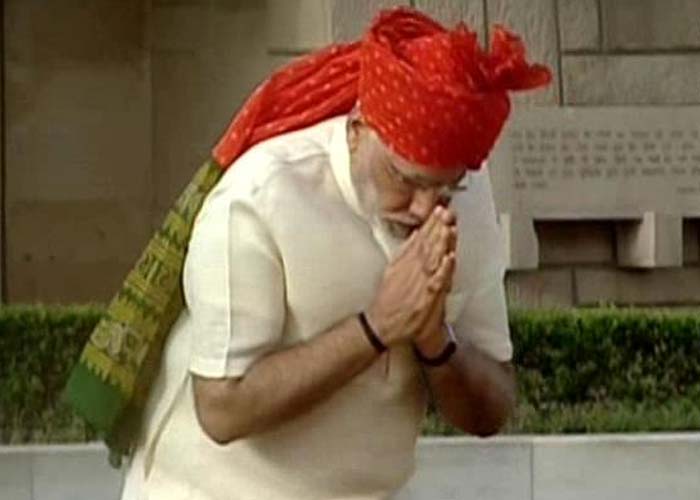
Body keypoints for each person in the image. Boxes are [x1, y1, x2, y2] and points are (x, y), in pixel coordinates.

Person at [120, 7, 550, 500]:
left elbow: (491, 409)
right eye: (405, 180)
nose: (424, 208)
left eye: (445, 188)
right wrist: (377, 327)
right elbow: (222, 408)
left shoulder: (469, 201)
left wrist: (435, 340)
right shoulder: (260, 197)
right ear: (357, 129)